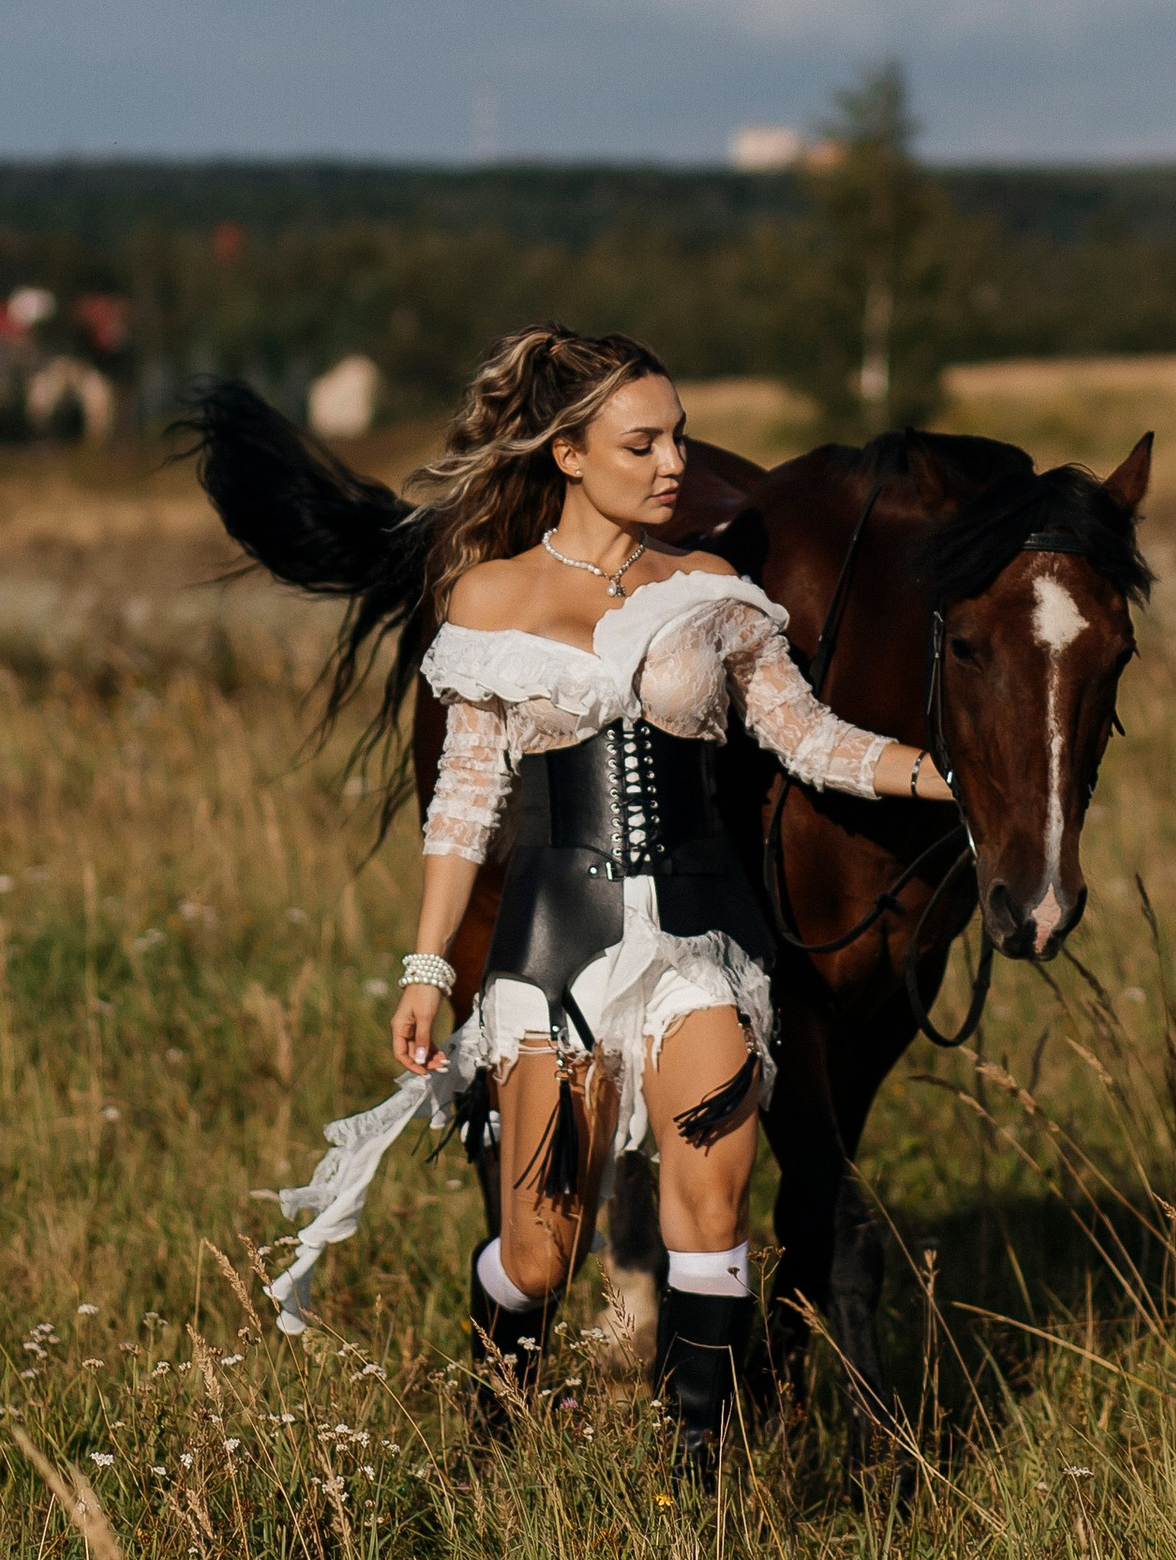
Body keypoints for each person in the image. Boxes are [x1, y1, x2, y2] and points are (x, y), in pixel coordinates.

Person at [388, 326, 950, 1467]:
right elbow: (463, 802)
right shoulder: (490, 597)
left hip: (704, 942)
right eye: (641, 442)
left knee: (713, 1212)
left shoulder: (714, 592)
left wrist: (950, 778)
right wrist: (427, 964)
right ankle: (494, 1399)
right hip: (558, 951)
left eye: (678, 436)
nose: (674, 462)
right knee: (542, 1253)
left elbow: (810, 737)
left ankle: (700, 1483)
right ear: (568, 455)